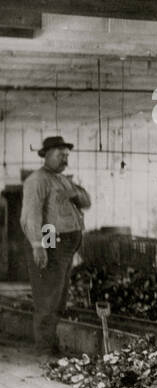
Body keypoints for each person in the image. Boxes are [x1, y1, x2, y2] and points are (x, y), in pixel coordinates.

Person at [20, 135, 91, 357]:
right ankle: (44, 349)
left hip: (66, 245)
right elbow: (31, 216)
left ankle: (50, 344)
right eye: (61, 155)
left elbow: (86, 202)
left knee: (59, 297)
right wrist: (38, 246)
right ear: (47, 155)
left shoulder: (62, 179)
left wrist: (76, 193)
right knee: (48, 295)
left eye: (67, 156)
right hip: (51, 239)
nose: (65, 160)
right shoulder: (37, 180)